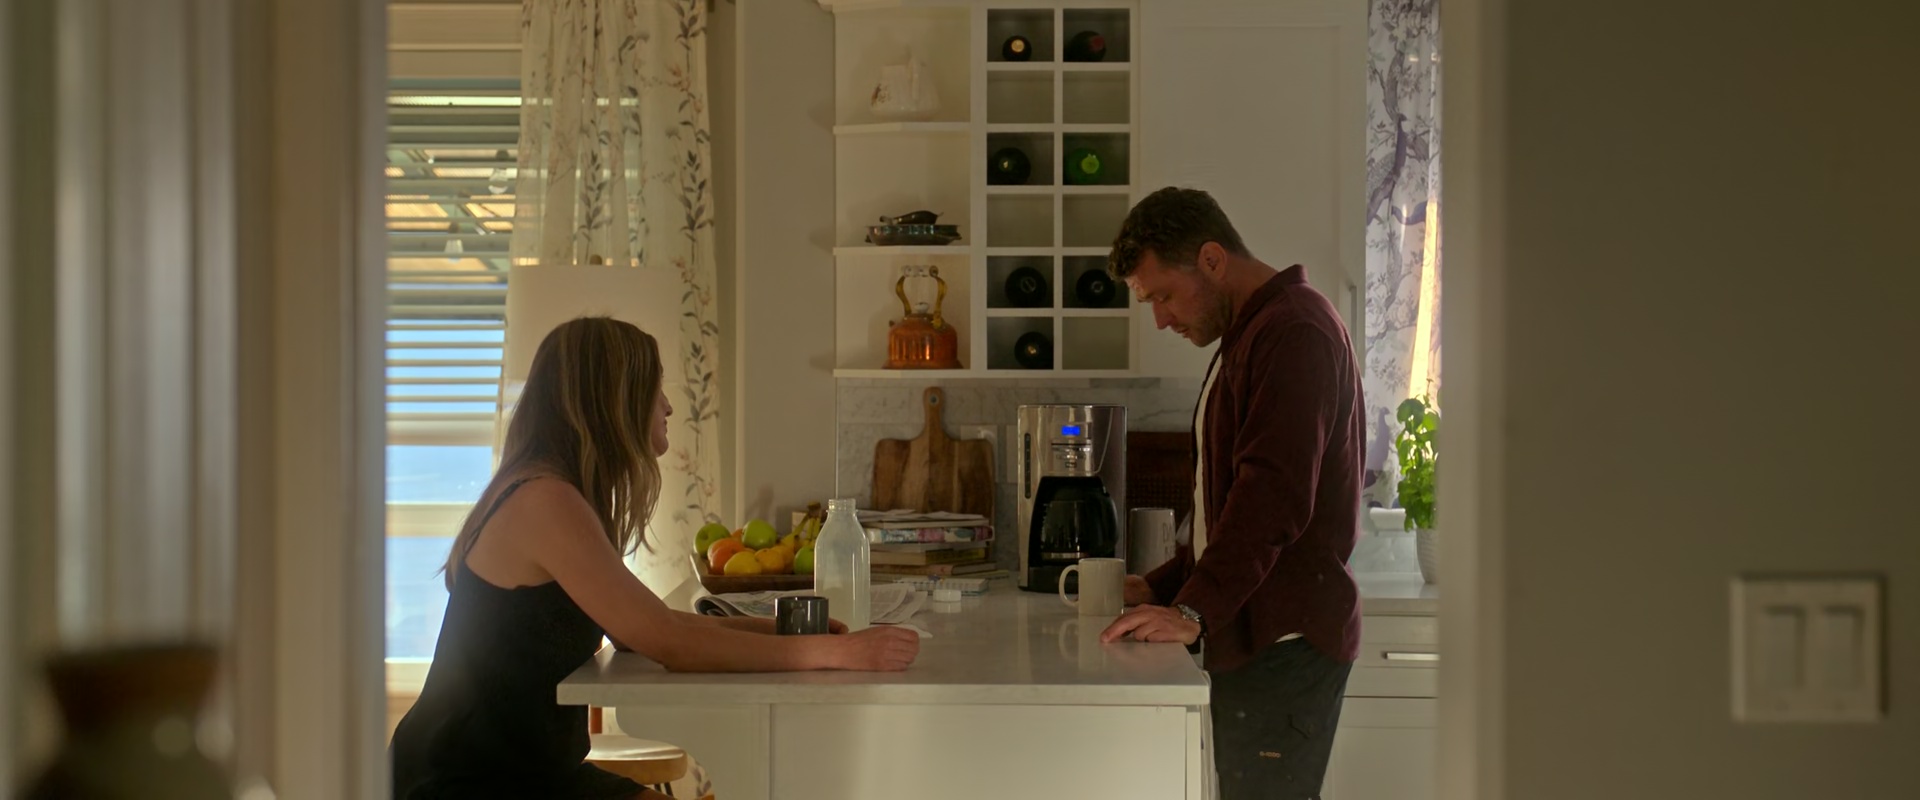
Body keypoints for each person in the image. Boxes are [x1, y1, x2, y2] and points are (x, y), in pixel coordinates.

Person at [390, 317, 920, 799]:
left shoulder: (556, 494)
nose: (667, 406)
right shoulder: (544, 501)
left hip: (533, 772)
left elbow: (647, 628)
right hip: (468, 782)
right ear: (614, 400)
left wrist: (793, 634)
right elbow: (667, 641)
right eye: (655, 389)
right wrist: (835, 654)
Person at [1098, 188, 1364, 800]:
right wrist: (1163, 587)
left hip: (1284, 640)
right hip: (1255, 632)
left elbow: (1273, 495)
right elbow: (1227, 503)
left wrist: (1193, 611)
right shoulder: (1254, 333)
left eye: (1163, 295)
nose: (1161, 319)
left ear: (1213, 260)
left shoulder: (1294, 332)